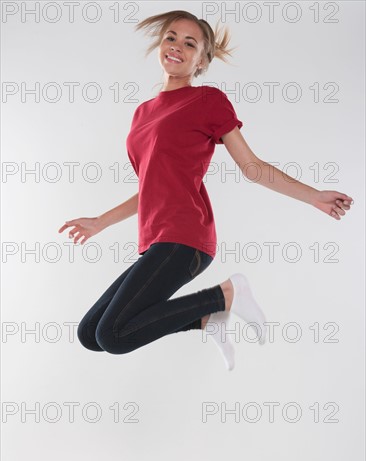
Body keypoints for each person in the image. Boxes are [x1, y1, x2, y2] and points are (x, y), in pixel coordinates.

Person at [58, 10, 354, 371]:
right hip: (156, 239)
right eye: (171, 37)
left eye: (190, 43)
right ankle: (206, 319)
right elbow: (152, 186)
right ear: (160, 44)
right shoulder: (142, 114)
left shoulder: (207, 101)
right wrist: (100, 222)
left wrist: (314, 196)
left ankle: (226, 294)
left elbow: (253, 167)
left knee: (113, 335)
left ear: (202, 60)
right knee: (92, 334)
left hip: (185, 237)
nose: (177, 47)